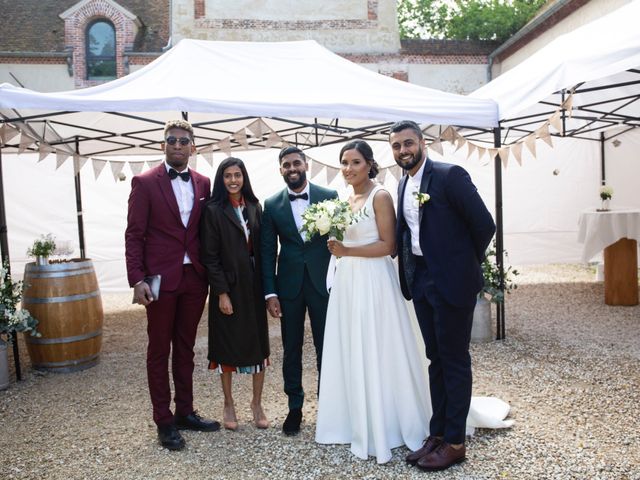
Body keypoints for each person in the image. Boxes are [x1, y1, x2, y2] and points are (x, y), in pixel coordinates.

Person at [315, 140, 431, 464]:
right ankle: (355, 420)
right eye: (344, 163)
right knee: (352, 345)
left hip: (374, 281)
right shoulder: (345, 199)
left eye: (354, 162)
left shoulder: (380, 196)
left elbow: (389, 245)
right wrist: (337, 247)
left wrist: (347, 250)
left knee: (378, 346)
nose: (348, 169)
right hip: (349, 282)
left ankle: (388, 423)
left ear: (369, 164)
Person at [391, 120, 496, 471]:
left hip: (452, 282)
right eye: (396, 146)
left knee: (454, 360)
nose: (403, 150)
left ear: (422, 142)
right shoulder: (402, 183)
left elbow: (484, 225)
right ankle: (436, 434)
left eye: (408, 143)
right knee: (435, 359)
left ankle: (455, 442)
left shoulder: (451, 176)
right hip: (421, 282)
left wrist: (462, 264)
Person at [125, 119, 220, 451]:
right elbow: (134, 235)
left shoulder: (205, 183)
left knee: (186, 348)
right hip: (160, 281)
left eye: (183, 141)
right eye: (172, 140)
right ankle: (163, 421)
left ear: (193, 146)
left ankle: (185, 411)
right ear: (163, 145)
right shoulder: (145, 182)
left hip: (195, 279)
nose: (177, 145)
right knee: (158, 350)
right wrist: (137, 279)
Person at [261, 146, 338, 436]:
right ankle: (295, 407)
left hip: (323, 283)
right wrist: (270, 293)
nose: (292, 169)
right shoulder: (272, 204)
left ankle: (328, 405)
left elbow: (338, 238)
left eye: (296, 163)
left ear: (306, 165)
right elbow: (268, 251)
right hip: (289, 286)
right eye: (286, 165)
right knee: (291, 347)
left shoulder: (329, 197)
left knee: (326, 346)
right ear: (280, 170)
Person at [200, 157, 270, 431]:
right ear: (221, 179)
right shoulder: (213, 210)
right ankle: (228, 403)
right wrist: (221, 293)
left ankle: (257, 403)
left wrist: (268, 292)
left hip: (253, 287)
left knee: (259, 345)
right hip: (228, 286)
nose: (233, 180)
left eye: (237, 175)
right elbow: (210, 256)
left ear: (244, 177)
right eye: (227, 175)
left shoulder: (254, 206)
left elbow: (263, 250)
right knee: (225, 346)